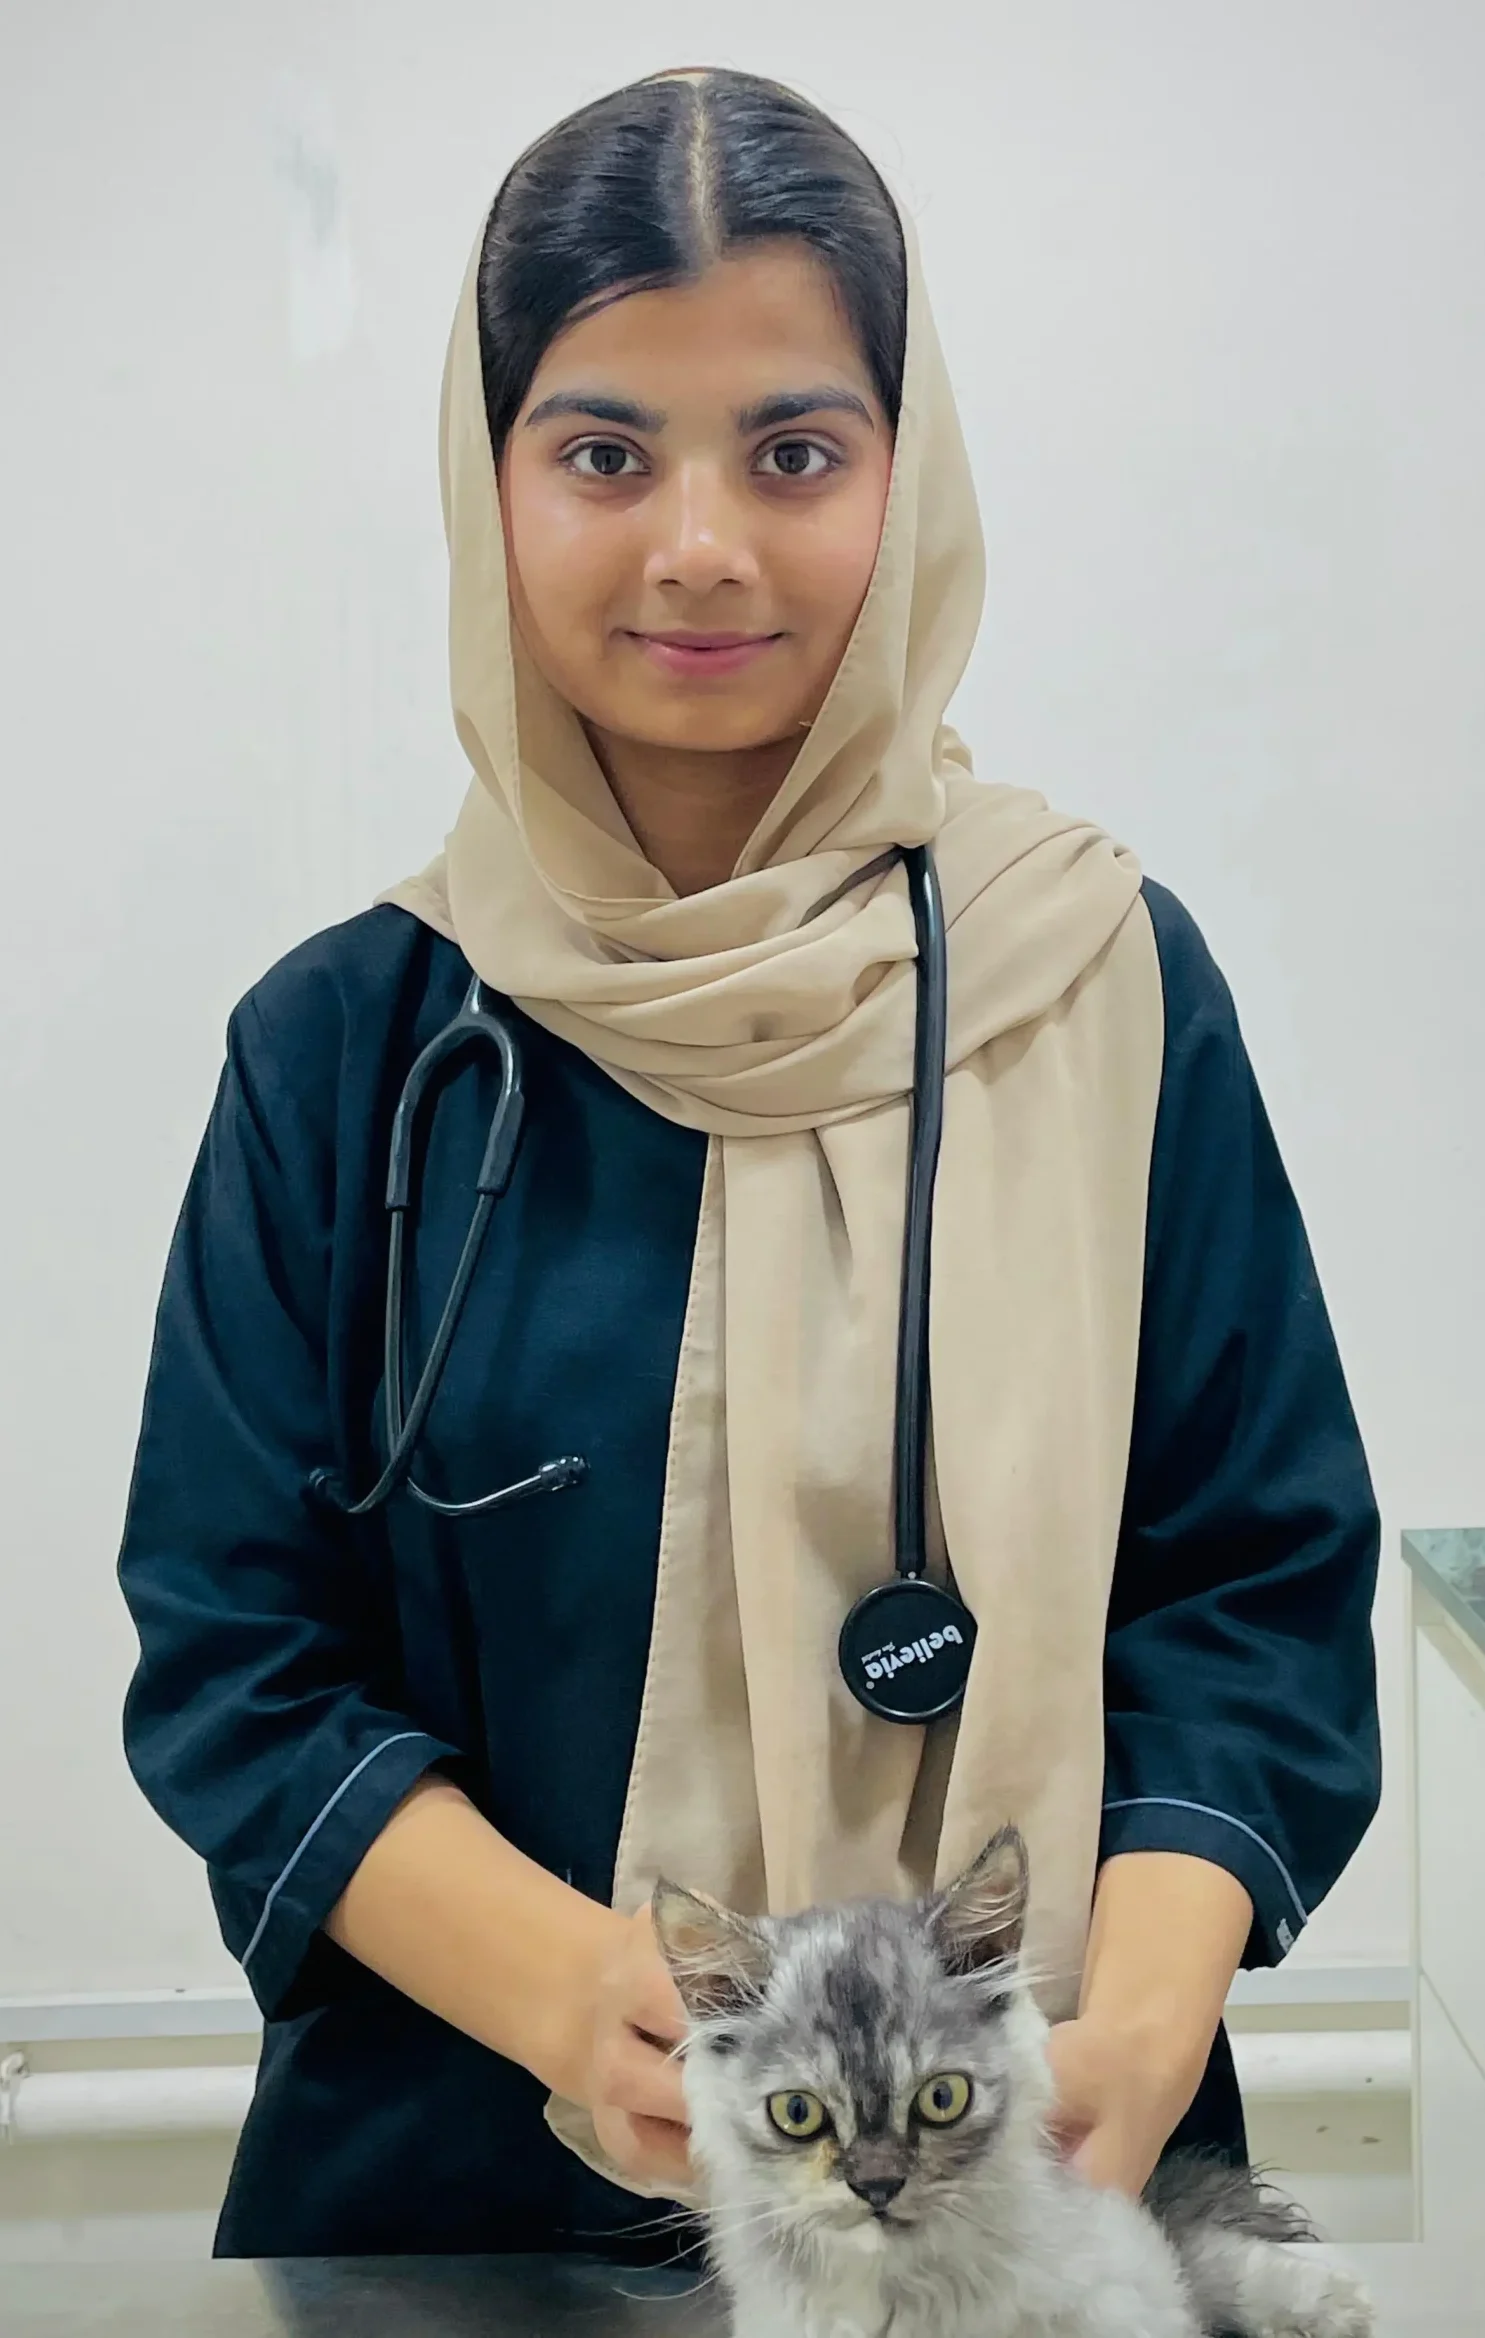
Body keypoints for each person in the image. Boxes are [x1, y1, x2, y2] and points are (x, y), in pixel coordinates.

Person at [116, 67, 1381, 2262]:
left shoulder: (1093, 981)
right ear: (490, 483)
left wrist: (1146, 2010)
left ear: (907, 473)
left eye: (794, 452)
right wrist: (566, 1991)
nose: (699, 544)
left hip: (1042, 2193)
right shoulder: (345, 1048)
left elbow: (1253, 1576)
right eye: (603, 453)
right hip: (465, 2207)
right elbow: (236, 1651)